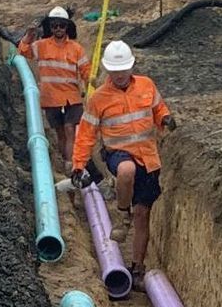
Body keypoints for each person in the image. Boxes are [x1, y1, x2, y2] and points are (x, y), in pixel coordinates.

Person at [72, 39, 174, 288]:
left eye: (123, 70)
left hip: (148, 158)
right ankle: (121, 214)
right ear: (108, 70)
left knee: (143, 214)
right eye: (114, 71)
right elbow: (86, 134)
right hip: (118, 153)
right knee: (126, 172)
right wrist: (78, 164)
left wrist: (166, 118)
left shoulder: (147, 85)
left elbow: (158, 109)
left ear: (131, 67)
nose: (119, 75)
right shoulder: (99, 98)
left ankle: (138, 268)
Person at [17, 5, 85, 169]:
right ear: (50, 27)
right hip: (51, 98)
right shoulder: (41, 45)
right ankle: (64, 162)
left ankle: (71, 165)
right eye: (55, 25)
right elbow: (23, 51)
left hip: (71, 98)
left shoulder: (76, 48)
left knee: (70, 130)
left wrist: (93, 82)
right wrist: (30, 34)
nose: (58, 29)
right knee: (61, 133)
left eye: (62, 25)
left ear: (67, 26)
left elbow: (86, 70)